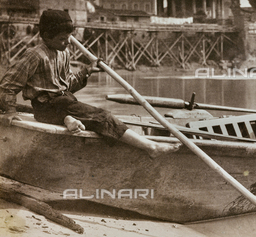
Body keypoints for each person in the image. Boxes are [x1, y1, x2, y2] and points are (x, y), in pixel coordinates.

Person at [0, 10, 181, 158]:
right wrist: (9, 110)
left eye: (69, 38)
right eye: (62, 39)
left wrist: (87, 71)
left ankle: (69, 120)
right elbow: (8, 85)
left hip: (64, 102)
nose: (67, 42)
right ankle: (150, 146)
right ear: (46, 36)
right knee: (103, 116)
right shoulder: (35, 55)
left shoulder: (63, 53)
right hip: (45, 106)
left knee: (81, 111)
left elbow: (68, 84)